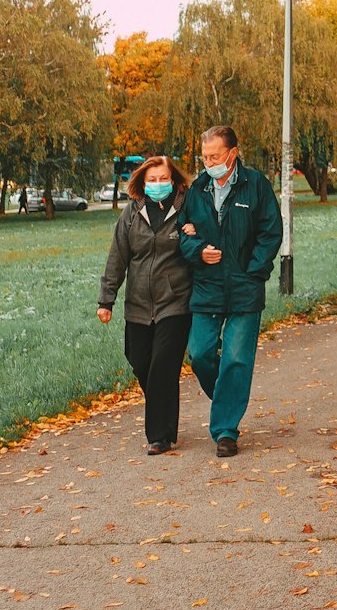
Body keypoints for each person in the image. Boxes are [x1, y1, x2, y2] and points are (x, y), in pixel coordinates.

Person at [178, 125, 283, 458]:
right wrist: (197, 250)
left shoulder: (256, 186)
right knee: (200, 354)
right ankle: (228, 397)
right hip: (206, 287)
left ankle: (225, 430)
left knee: (236, 358)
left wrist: (254, 272)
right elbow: (182, 235)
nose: (209, 162)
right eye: (205, 157)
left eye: (215, 156)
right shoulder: (197, 189)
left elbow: (271, 232)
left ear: (233, 153)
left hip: (244, 289)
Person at [97, 155, 193, 454]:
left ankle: (159, 436)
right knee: (140, 360)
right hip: (138, 302)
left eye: (163, 179)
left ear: (174, 180)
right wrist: (106, 299)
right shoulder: (131, 214)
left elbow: (204, 242)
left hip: (175, 301)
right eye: (151, 180)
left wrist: (194, 231)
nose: (158, 184)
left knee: (163, 365)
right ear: (142, 183)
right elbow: (118, 257)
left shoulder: (186, 209)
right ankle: (164, 414)